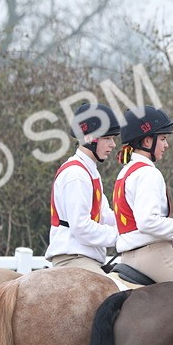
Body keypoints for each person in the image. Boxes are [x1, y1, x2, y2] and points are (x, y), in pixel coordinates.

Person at [112, 106, 173, 284]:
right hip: (152, 255)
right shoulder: (148, 173)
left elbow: (137, 224)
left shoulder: (126, 172)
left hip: (129, 257)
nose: (166, 145)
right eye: (162, 139)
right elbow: (148, 221)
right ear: (147, 141)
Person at [44, 102, 121, 272]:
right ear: (90, 138)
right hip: (73, 259)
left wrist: (132, 226)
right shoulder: (76, 175)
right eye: (107, 138)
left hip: (85, 258)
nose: (113, 145)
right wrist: (120, 236)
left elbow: (104, 215)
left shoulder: (89, 170)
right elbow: (82, 227)